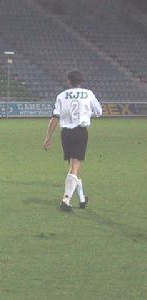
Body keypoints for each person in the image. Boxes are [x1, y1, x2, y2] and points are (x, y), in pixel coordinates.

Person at [43, 70, 102, 211]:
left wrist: (48, 137)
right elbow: (99, 112)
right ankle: (66, 200)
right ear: (81, 81)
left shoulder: (62, 96)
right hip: (80, 132)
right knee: (75, 166)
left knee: (73, 167)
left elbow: (54, 118)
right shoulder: (88, 94)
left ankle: (82, 199)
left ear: (69, 81)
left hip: (66, 134)